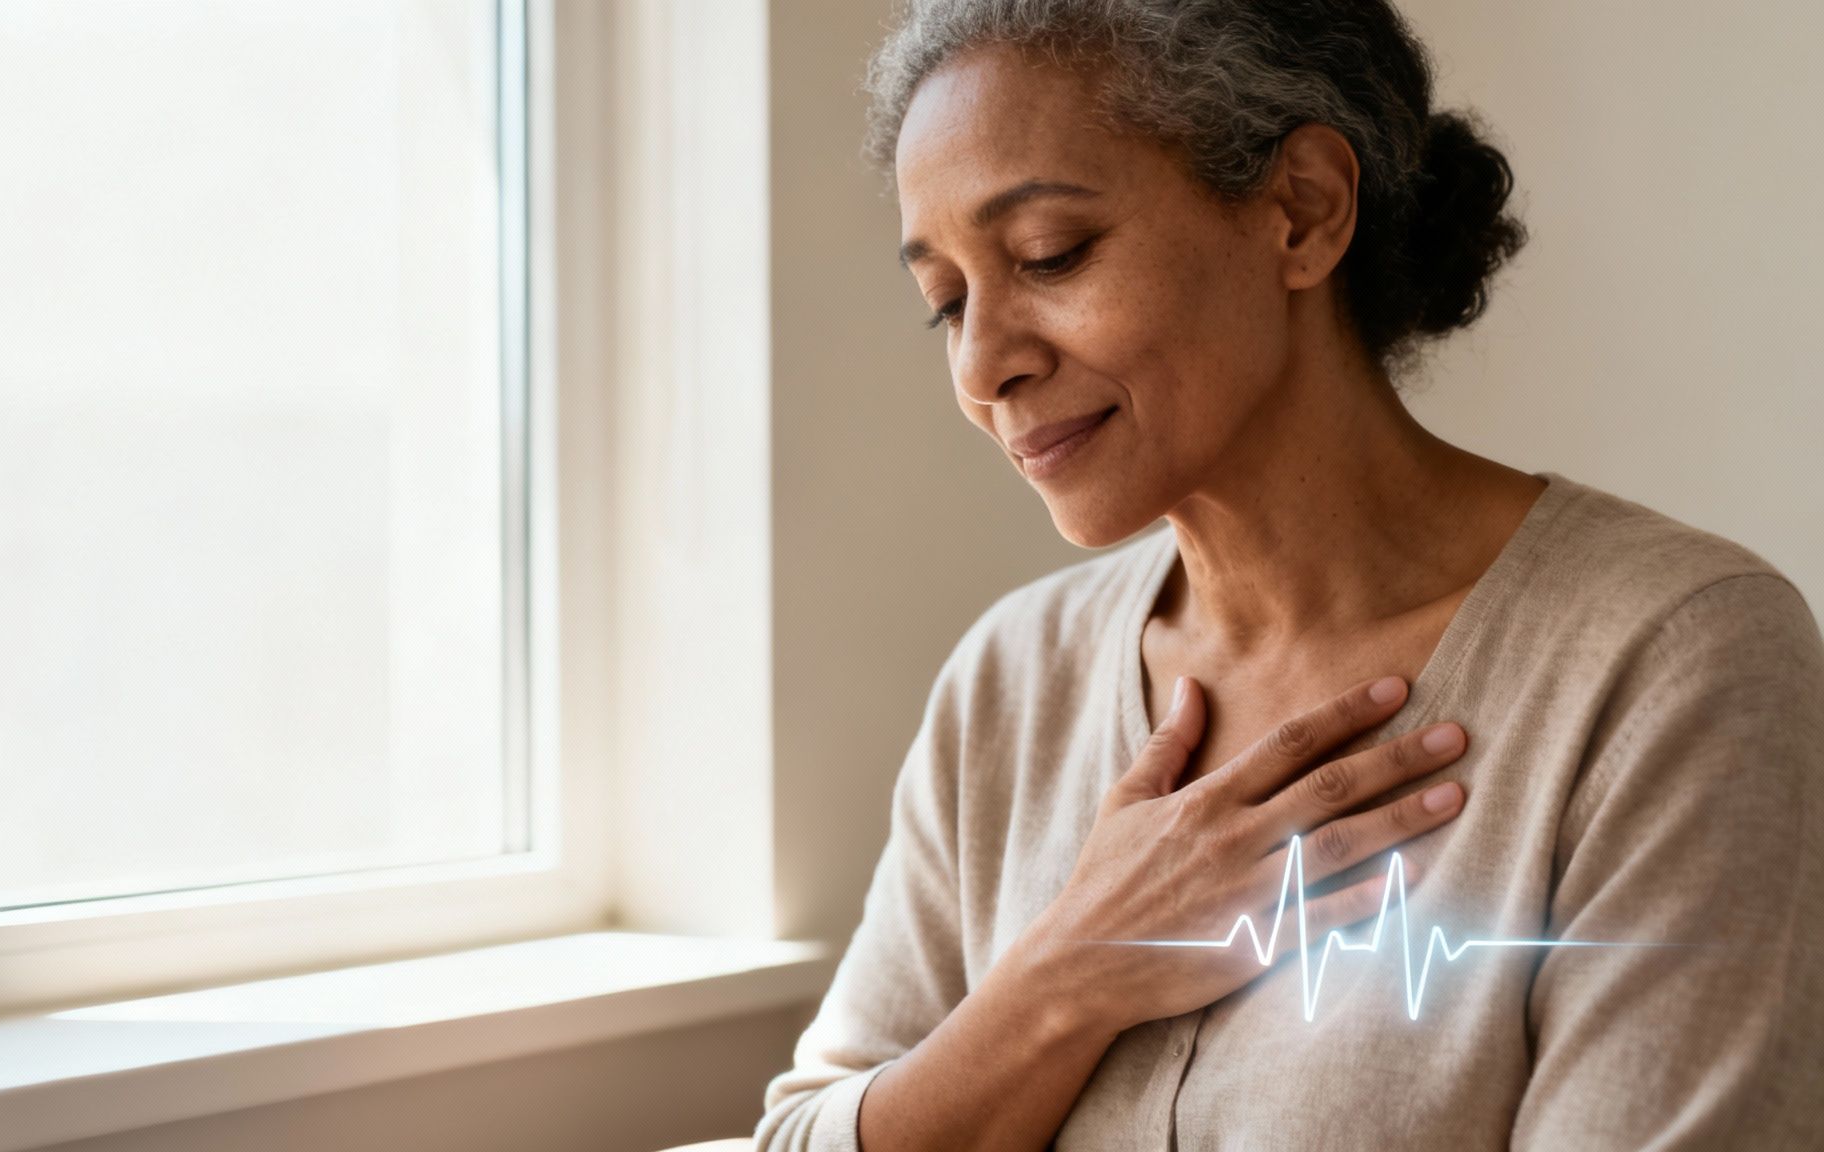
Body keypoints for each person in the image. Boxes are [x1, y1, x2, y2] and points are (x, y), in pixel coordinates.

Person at [752, 1, 1824, 1149]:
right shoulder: (1012, 680)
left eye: (1047, 256)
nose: (983, 364)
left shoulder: (1673, 664)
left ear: (1301, 210)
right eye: (947, 303)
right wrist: (1067, 975)